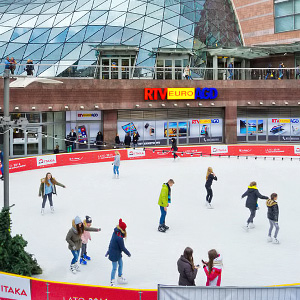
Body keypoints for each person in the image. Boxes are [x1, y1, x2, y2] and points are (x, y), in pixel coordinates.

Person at [105, 219, 131, 287]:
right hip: (114, 254)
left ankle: (119, 277)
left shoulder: (116, 232)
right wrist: (128, 253)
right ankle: (112, 281)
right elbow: (122, 247)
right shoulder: (119, 237)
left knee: (121, 264)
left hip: (118, 253)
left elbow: (111, 242)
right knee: (114, 267)